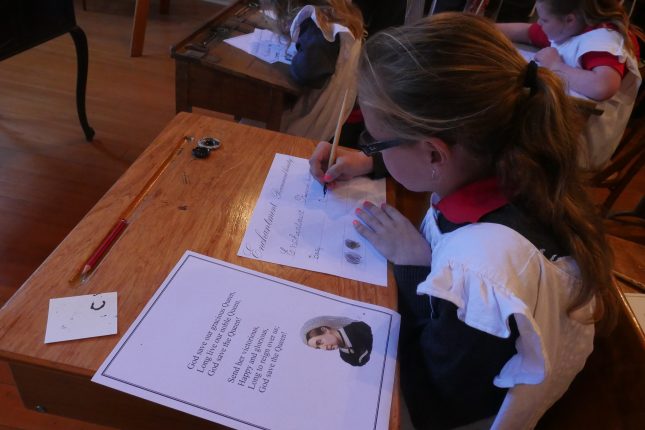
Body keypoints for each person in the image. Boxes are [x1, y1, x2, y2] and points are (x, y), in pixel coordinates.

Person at [309, 13, 616, 429]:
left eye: (375, 138)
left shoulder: (481, 274)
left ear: (435, 153)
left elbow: (433, 400)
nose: (371, 146)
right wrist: (370, 160)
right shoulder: (520, 162)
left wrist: (416, 266)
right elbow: (435, 159)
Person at [498, 0, 643, 168]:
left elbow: (602, 86)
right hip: (556, 129)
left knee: (495, 138)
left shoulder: (604, 41)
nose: (539, 22)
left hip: (578, 149)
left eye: (544, 20)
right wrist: (477, 27)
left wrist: (556, 66)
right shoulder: (575, 25)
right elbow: (527, 32)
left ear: (569, 19)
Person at [260, 0, 363, 141]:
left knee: (253, 116)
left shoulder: (318, 24)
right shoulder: (341, 13)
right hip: (334, 114)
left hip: (313, 122)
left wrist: (298, 53)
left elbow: (306, 73)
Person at [300, 316, 373, 366]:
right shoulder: (344, 356)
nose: (324, 348)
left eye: (319, 342)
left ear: (325, 330)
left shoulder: (359, 328)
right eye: (319, 347)